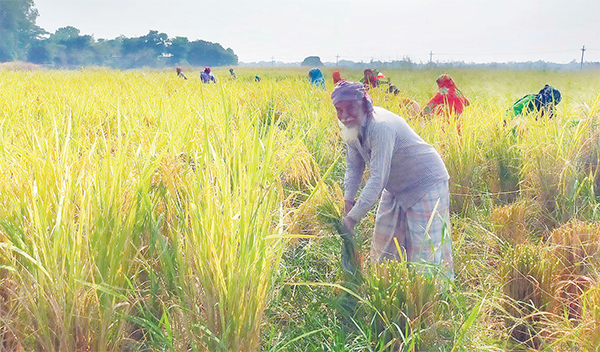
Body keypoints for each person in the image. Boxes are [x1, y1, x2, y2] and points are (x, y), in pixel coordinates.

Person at [333, 81, 454, 278]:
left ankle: (430, 301)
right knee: (384, 244)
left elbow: (378, 178)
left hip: (425, 182)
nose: (344, 115)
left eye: (350, 108)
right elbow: (354, 168)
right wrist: (348, 203)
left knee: (425, 249)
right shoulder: (351, 129)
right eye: (339, 110)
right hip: (396, 185)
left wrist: (353, 218)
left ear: (363, 105)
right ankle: (388, 289)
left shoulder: (380, 127)